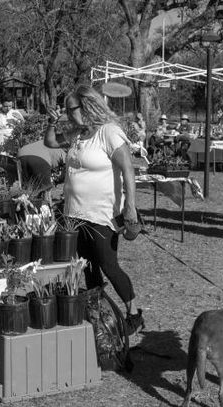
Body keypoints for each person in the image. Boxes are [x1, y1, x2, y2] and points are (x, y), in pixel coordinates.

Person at [44, 85, 144, 334]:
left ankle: (134, 312)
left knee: (108, 265)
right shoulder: (78, 134)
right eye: (66, 111)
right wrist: (53, 121)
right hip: (75, 214)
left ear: (86, 107)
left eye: (71, 110)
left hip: (102, 214)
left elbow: (128, 169)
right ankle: (99, 313)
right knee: (87, 266)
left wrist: (130, 206)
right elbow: (50, 141)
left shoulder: (108, 132)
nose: (68, 114)